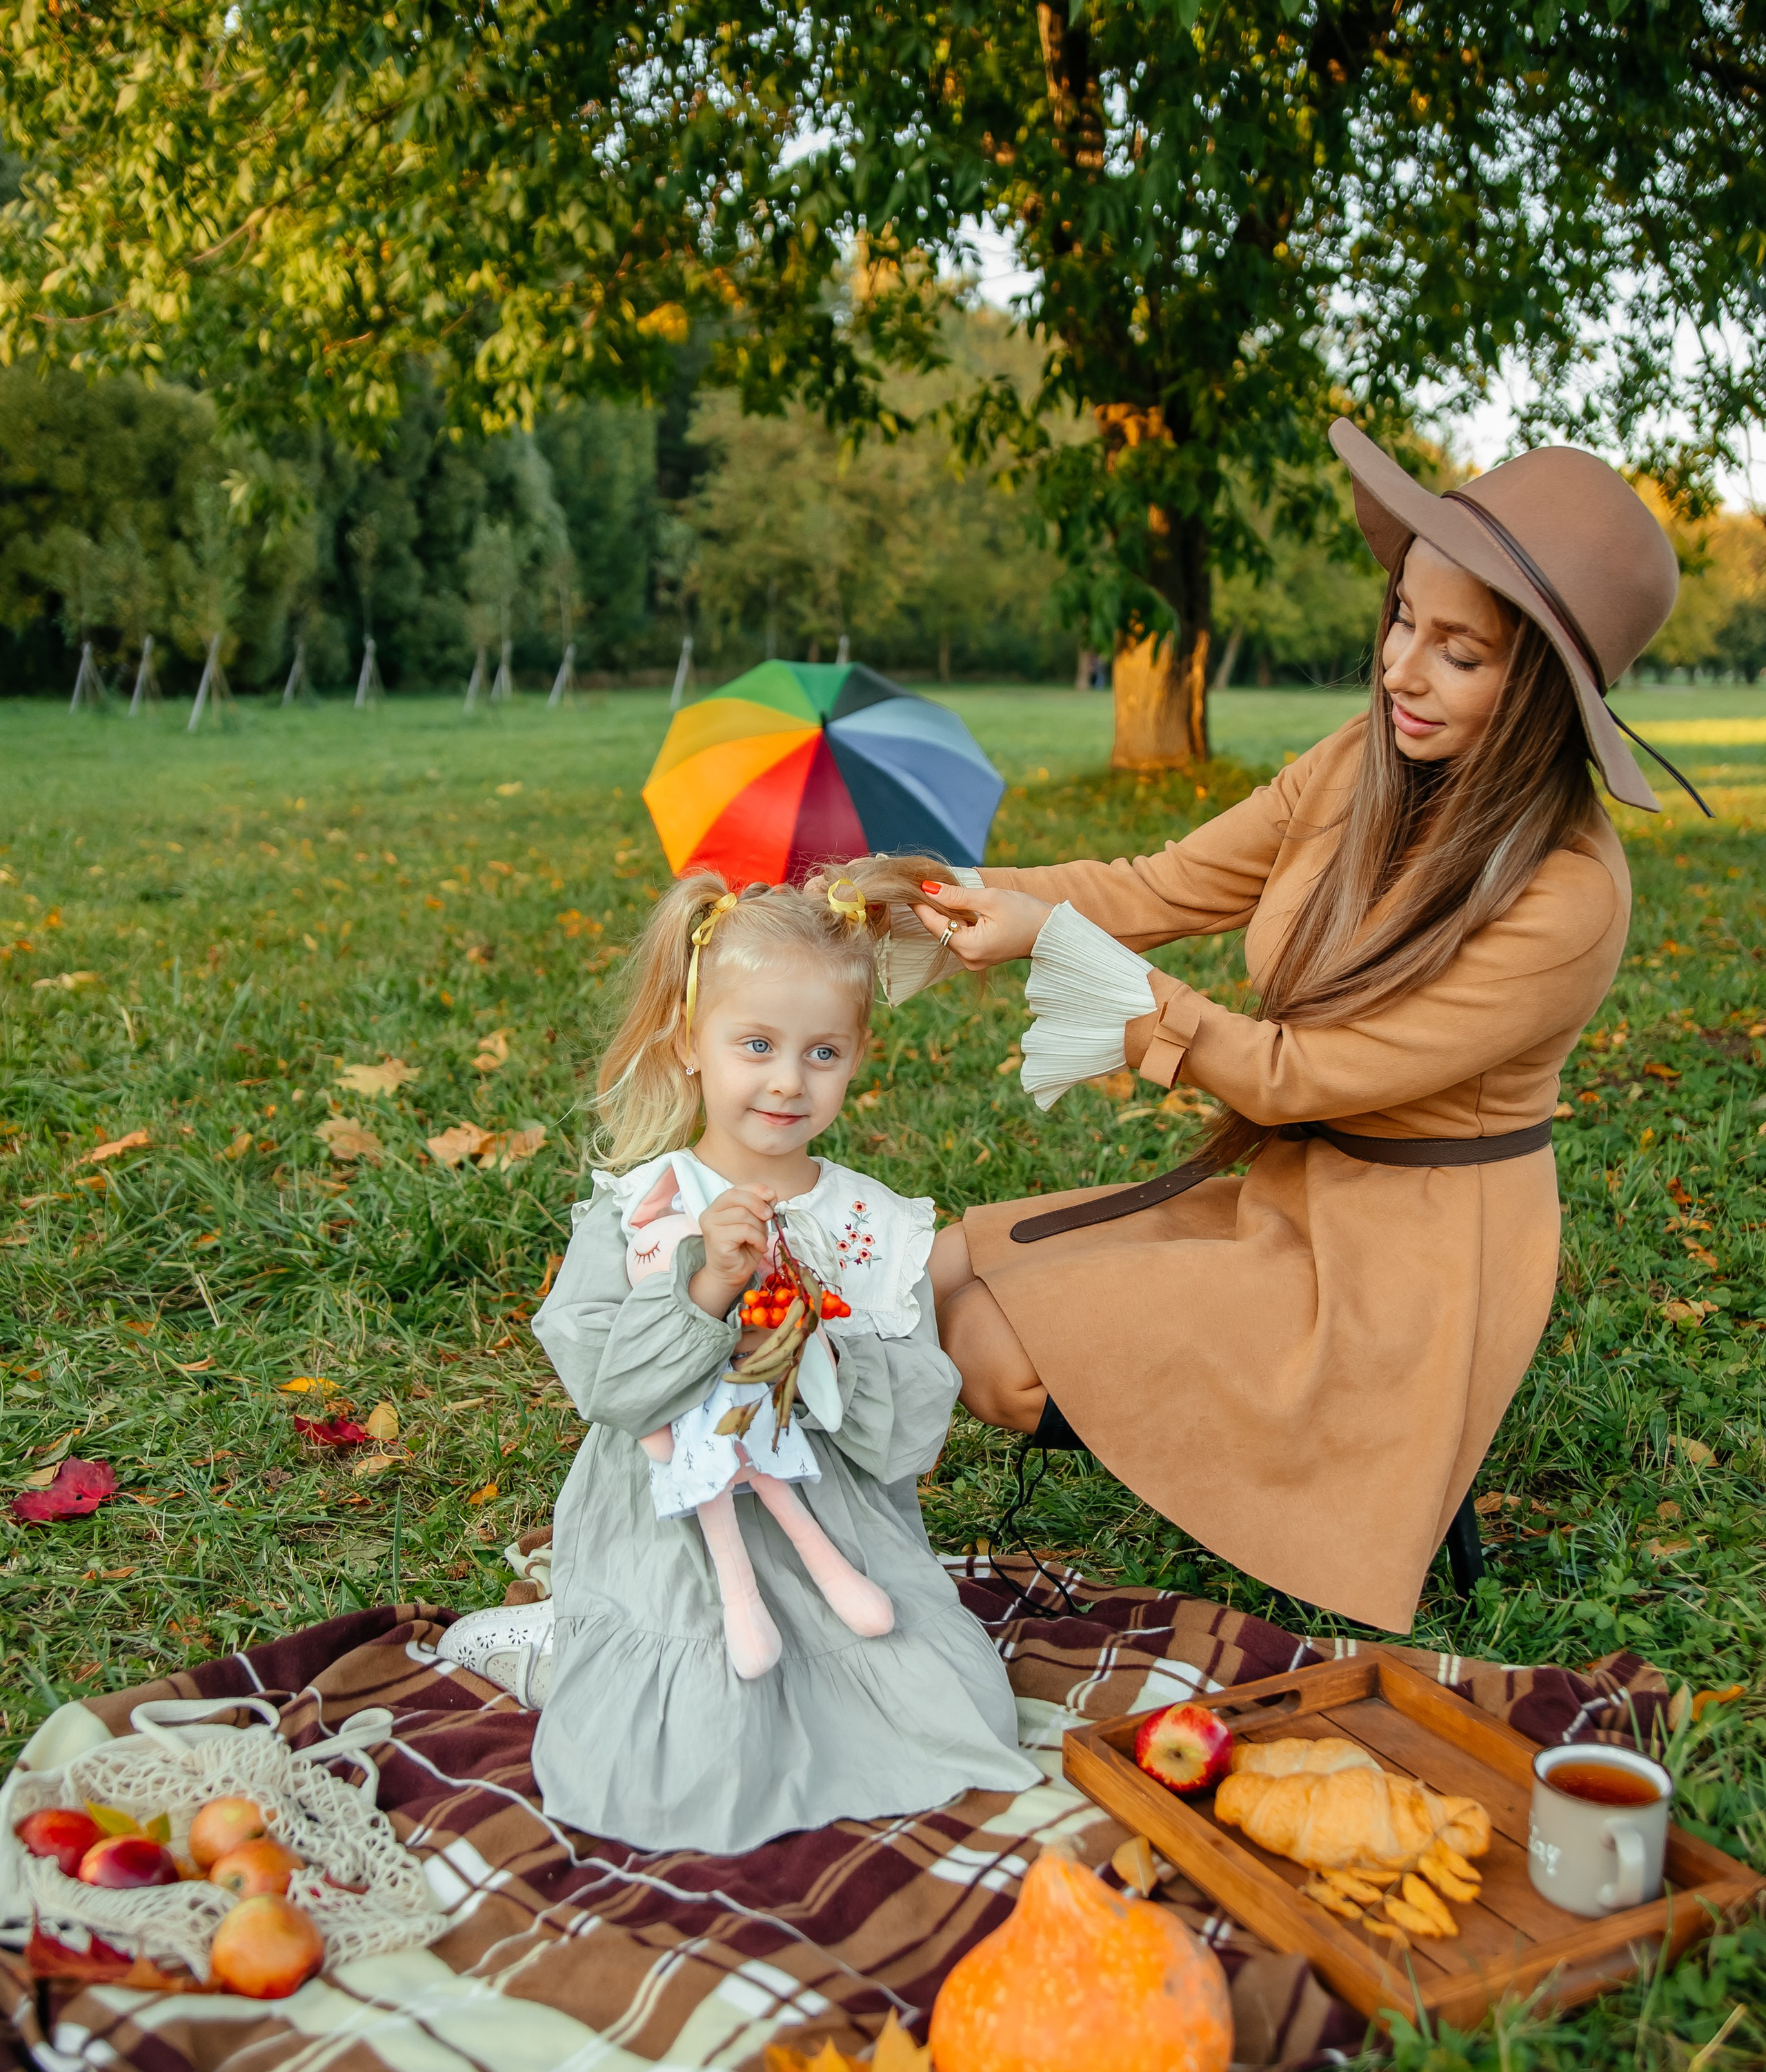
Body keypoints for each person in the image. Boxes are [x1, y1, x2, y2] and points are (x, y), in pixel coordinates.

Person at [915, 422, 1687, 1635]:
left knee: (988, 1351)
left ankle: (1277, 1468)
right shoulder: (1358, 765)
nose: (1401, 673)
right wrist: (945, 890)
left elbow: (1296, 1078)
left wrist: (1094, 982)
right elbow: (1163, 882)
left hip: (1410, 1263)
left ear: (1540, 685)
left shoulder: (1569, 895)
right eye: (1401, 624)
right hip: (1290, 1188)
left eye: (1459, 654)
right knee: (932, 1273)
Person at [438, 861, 1038, 1854]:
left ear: (858, 1057)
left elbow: (908, 1430)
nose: (787, 1081)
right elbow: (613, 1392)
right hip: (672, 1535)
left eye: (824, 1052)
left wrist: (812, 1347)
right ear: (691, 1043)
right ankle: (571, 1641)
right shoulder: (646, 1207)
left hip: (831, 1526)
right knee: (686, 1759)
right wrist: (708, 1289)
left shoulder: (868, 1223)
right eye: (755, 1044)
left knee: (959, 1705)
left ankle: (785, 1668)